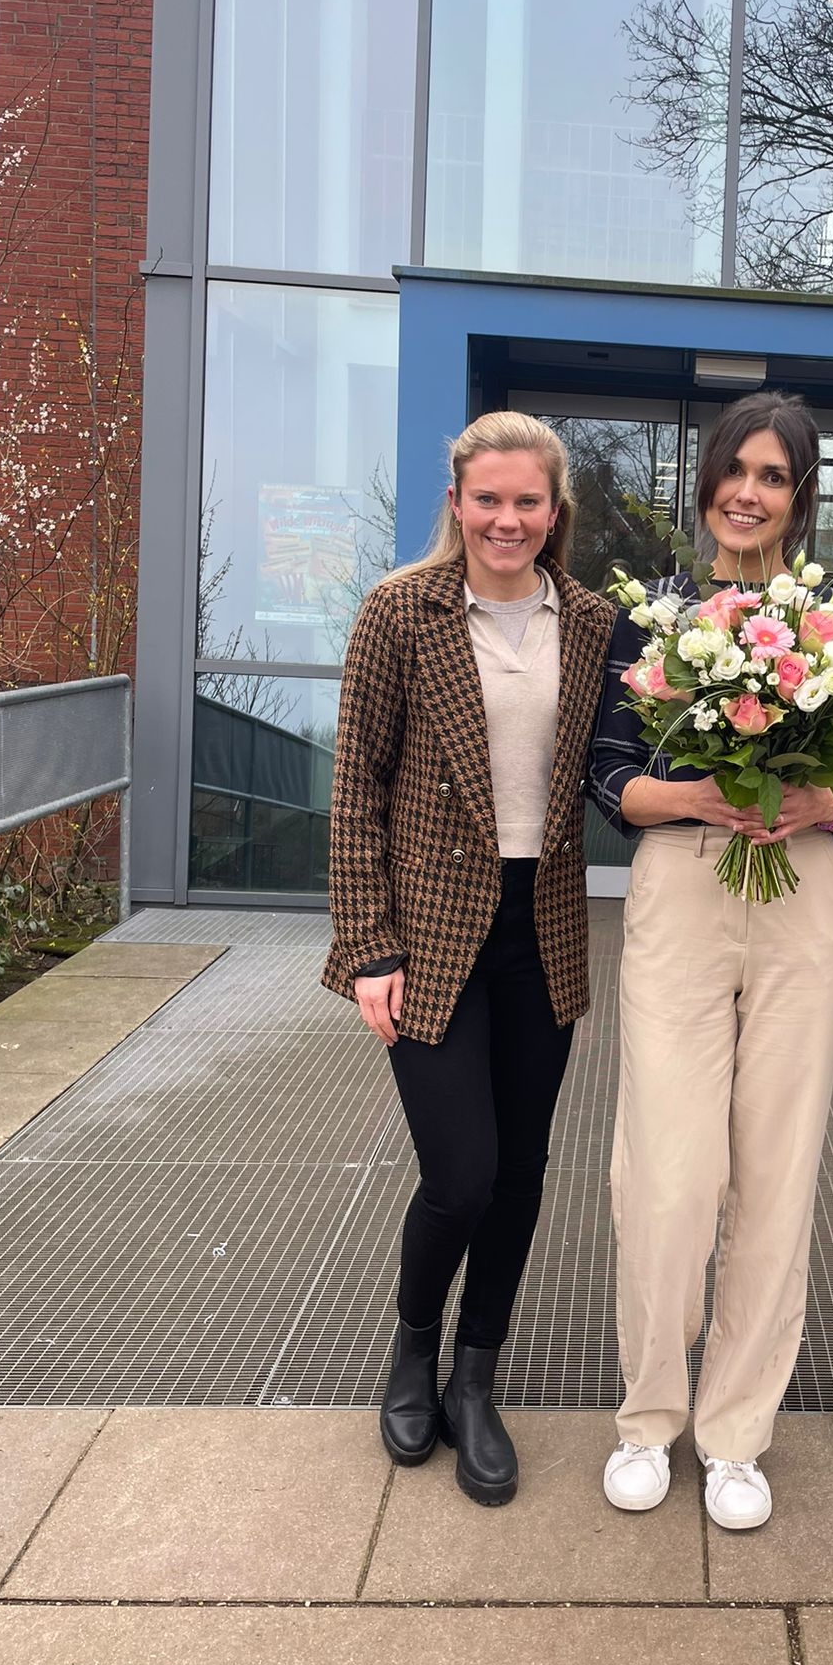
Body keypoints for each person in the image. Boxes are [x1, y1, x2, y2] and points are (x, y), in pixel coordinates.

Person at [323, 411, 614, 1506]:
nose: (507, 518)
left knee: (526, 1169)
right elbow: (356, 785)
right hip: (432, 926)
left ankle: (477, 1372)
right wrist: (367, 946)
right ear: (458, 503)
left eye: (527, 501)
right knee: (463, 1172)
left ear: (554, 510)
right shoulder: (400, 611)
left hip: (541, 923)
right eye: (487, 499)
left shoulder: (590, 622)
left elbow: (618, 761)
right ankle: (412, 1347)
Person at [591, 391, 833, 1531]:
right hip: (684, 878)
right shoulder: (651, 619)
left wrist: (820, 795)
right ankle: (648, 1416)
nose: (750, 492)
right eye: (735, 470)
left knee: (778, 1166)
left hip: (801, 889)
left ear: (800, 497)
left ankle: (738, 1432)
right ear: (705, 481)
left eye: (775, 475)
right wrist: (702, 789)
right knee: (670, 1170)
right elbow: (609, 781)